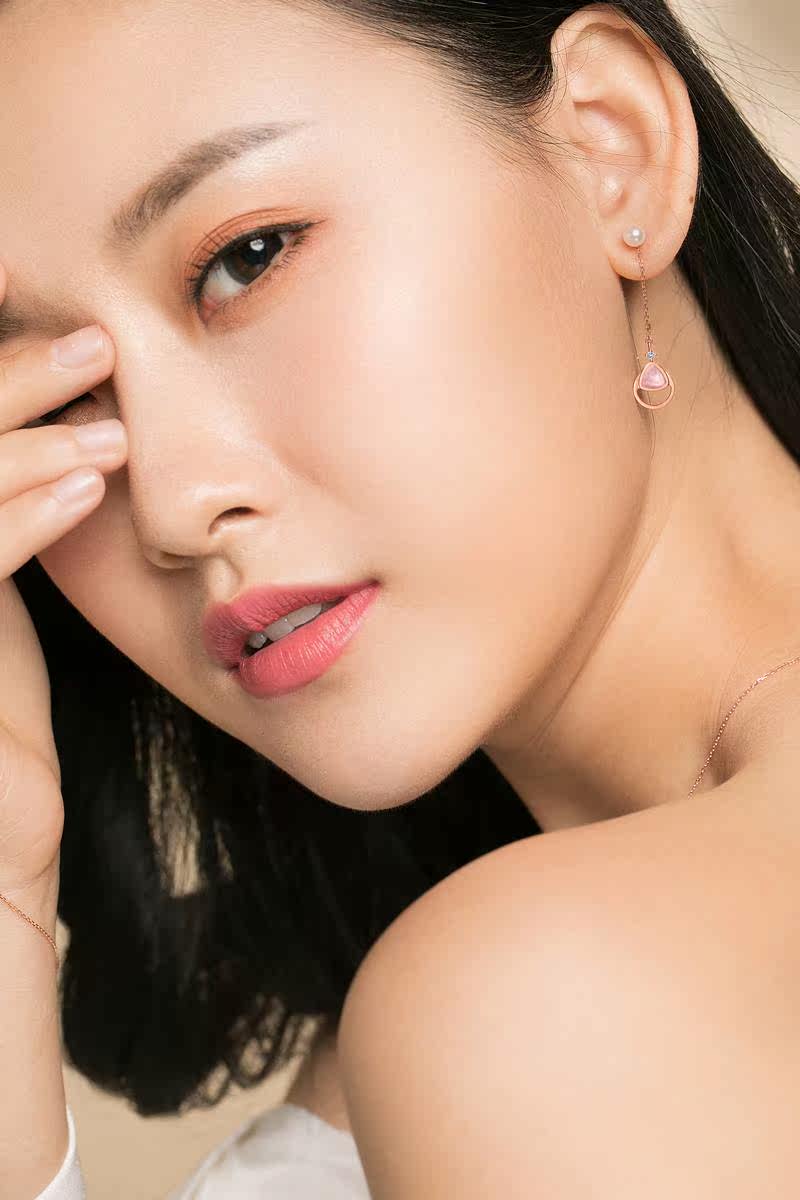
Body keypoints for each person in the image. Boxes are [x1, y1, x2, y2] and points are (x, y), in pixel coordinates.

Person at [0, 0, 799, 1195]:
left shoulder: (538, 1012)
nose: (169, 502)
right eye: (56, 398)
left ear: (611, 146)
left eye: (245, 259)